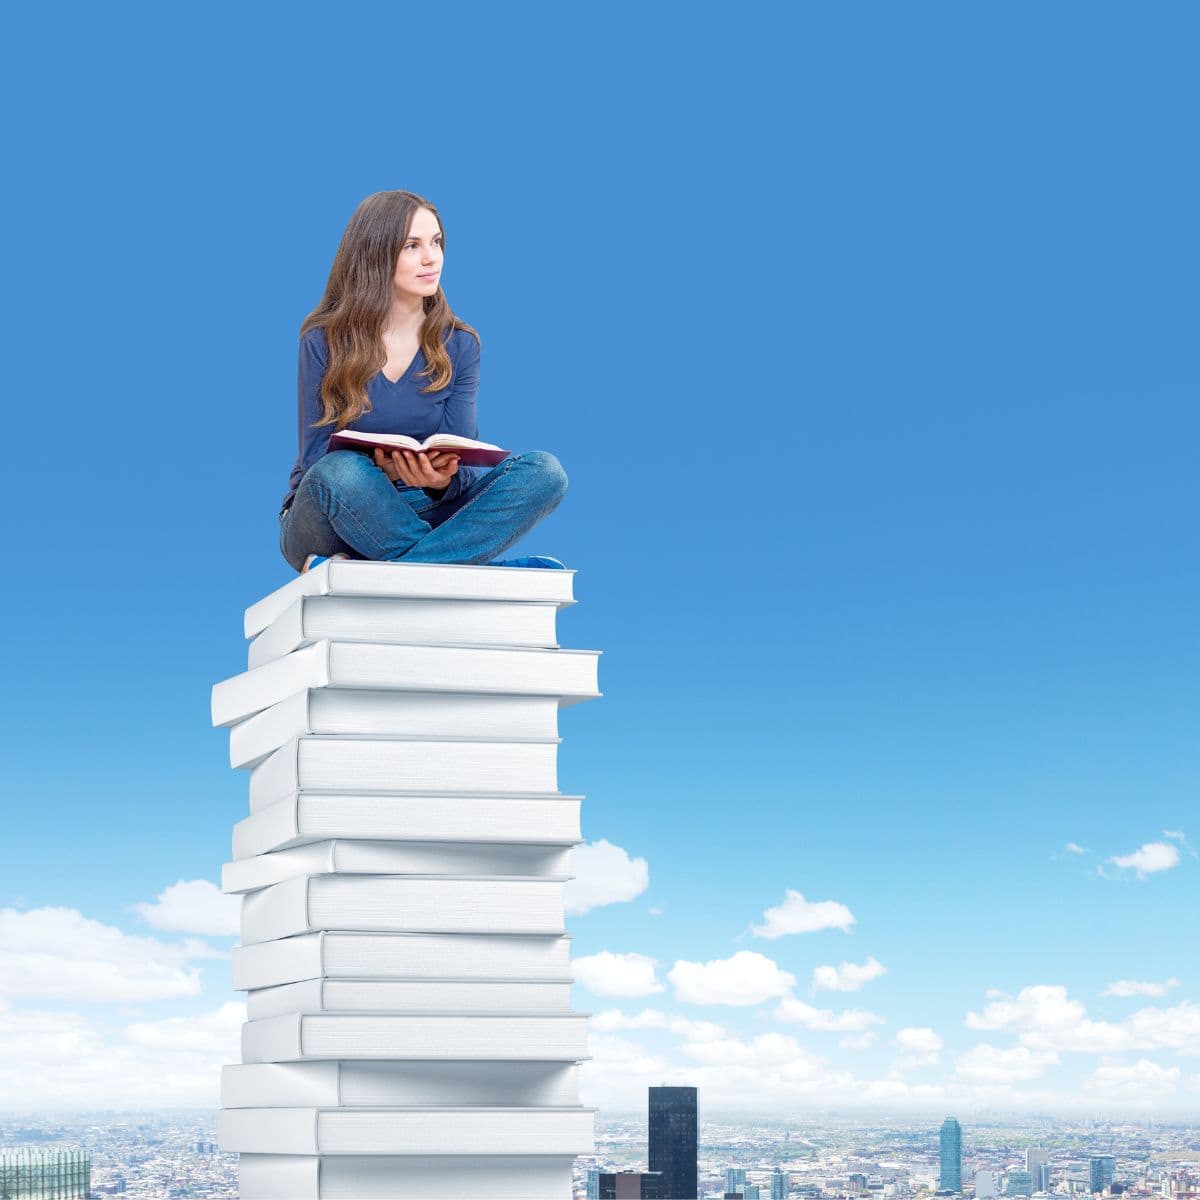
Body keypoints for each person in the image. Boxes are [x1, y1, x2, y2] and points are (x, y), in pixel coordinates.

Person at [278, 190, 568, 573]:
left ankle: (394, 568)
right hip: (331, 513)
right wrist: (388, 471)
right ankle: (468, 566)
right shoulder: (322, 340)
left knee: (545, 472)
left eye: (436, 242)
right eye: (412, 246)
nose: (432, 258)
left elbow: (463, 467)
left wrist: (440, 481)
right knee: (342, 471)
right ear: (375, 254)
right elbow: (317, 463)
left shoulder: (460, 344)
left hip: (421, 507)